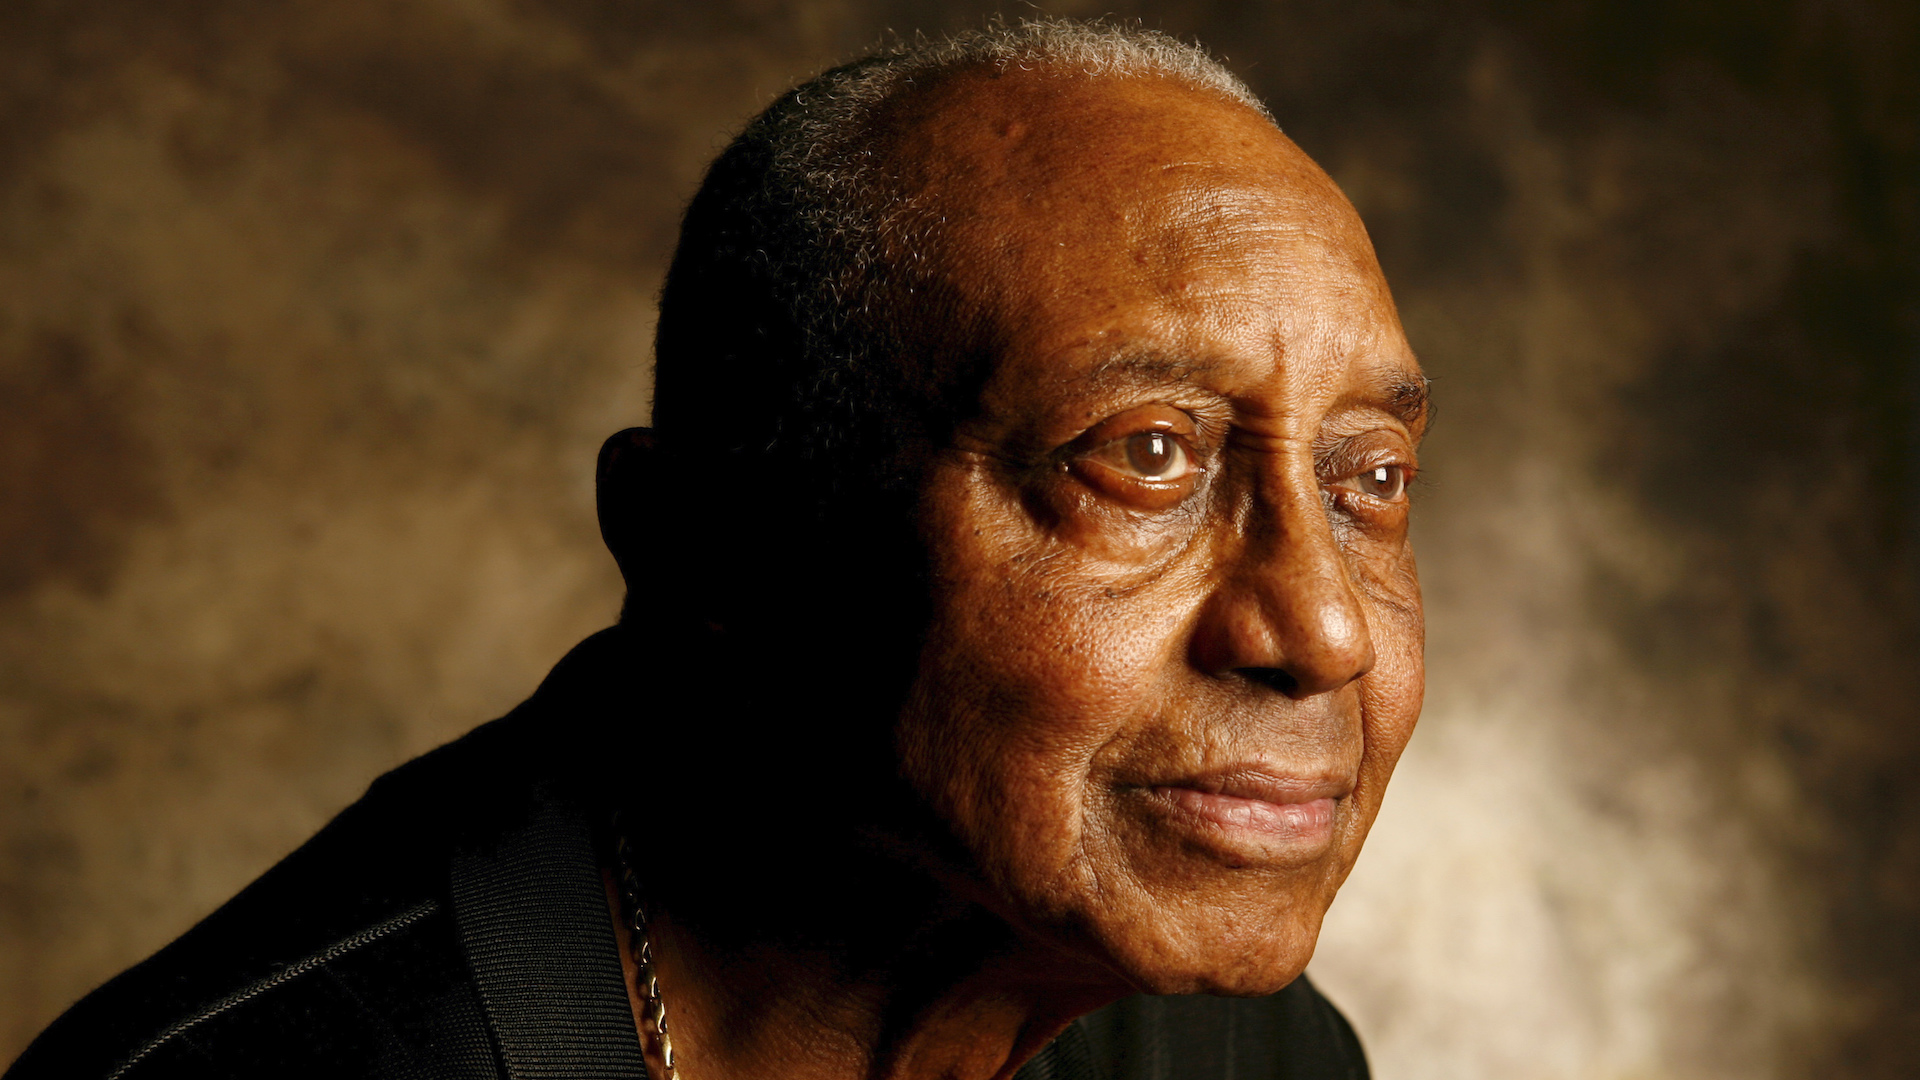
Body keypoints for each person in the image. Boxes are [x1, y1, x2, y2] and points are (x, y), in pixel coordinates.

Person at [6, 20, 1428, 1080]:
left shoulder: (1230, 1056)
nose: (1324, 630)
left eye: (1371, 477)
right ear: (718, 550)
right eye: (1146, 457)